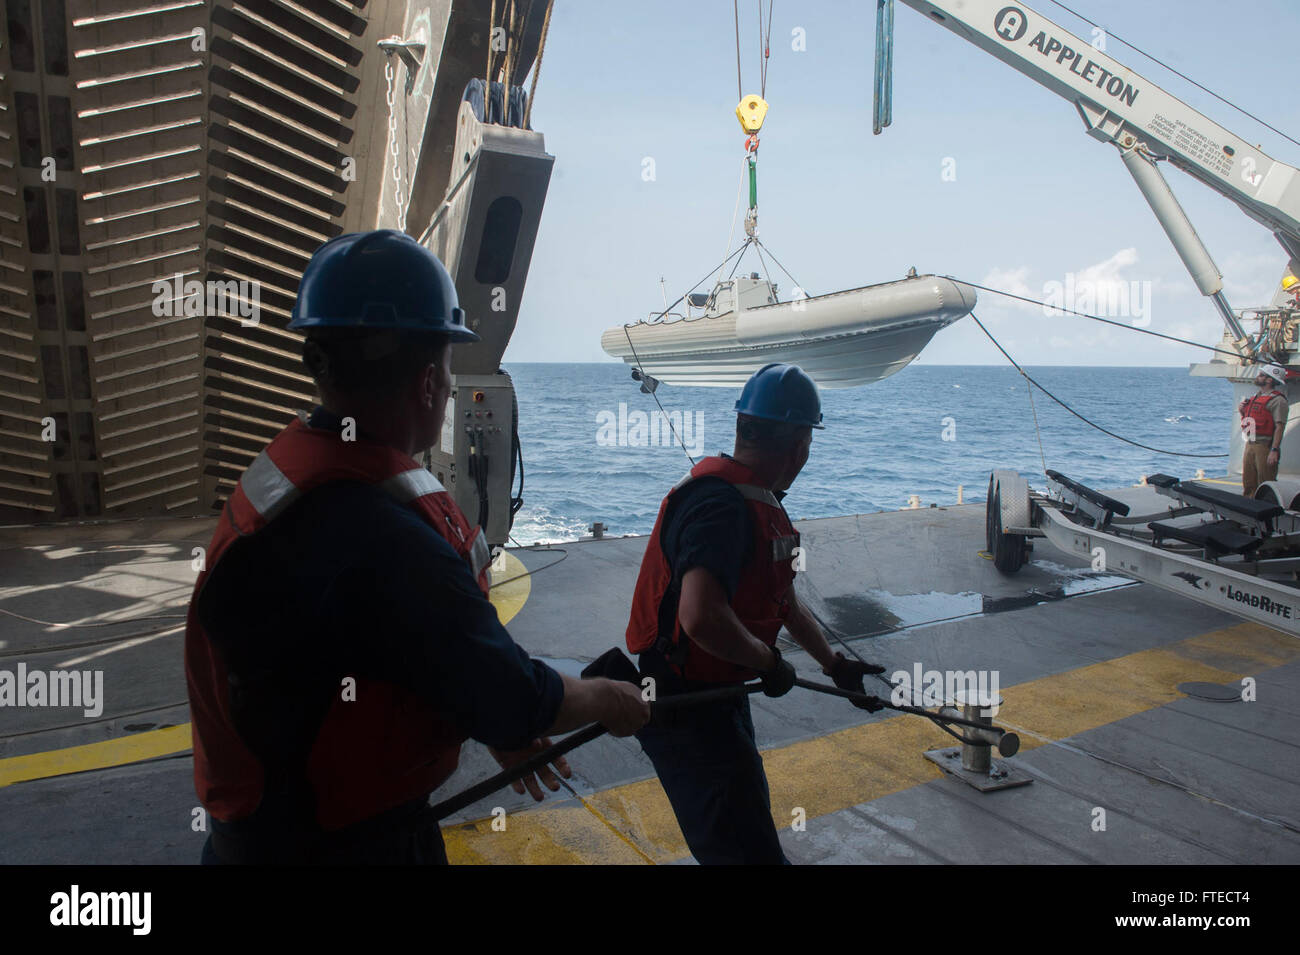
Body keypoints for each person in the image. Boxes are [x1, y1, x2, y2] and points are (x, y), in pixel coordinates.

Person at [185, 230, 648, 864]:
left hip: (264, 831)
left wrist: (487, 717)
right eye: (451, 367)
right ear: (429, 382)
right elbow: (511, 693)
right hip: (337, 846)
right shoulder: (384, 533)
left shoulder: (296, 471)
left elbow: (397, 646)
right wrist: (608, 699)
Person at [625, 362, 885, 864]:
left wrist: (832, 664)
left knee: (744, 837)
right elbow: (701, 617)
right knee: (747, 853)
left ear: (744, 425)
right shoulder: (721, 508)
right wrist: (768, 663)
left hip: (716, 694)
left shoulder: (741, 499)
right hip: (688, 706)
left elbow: (778, 599)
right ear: (799, 447)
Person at [1239, 363, 1289, 497]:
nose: (1258, 377)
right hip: (1250, 444)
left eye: (1261, 375)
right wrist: (1242, 411)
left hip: (1264, 446)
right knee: (1249, 482)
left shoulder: (1278, 401)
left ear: (1269, 380)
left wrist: (1274, 451)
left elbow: (1280, 427)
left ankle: (1266, 512)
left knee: (1266, 483)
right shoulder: (1256, 397)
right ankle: (1248, 510)